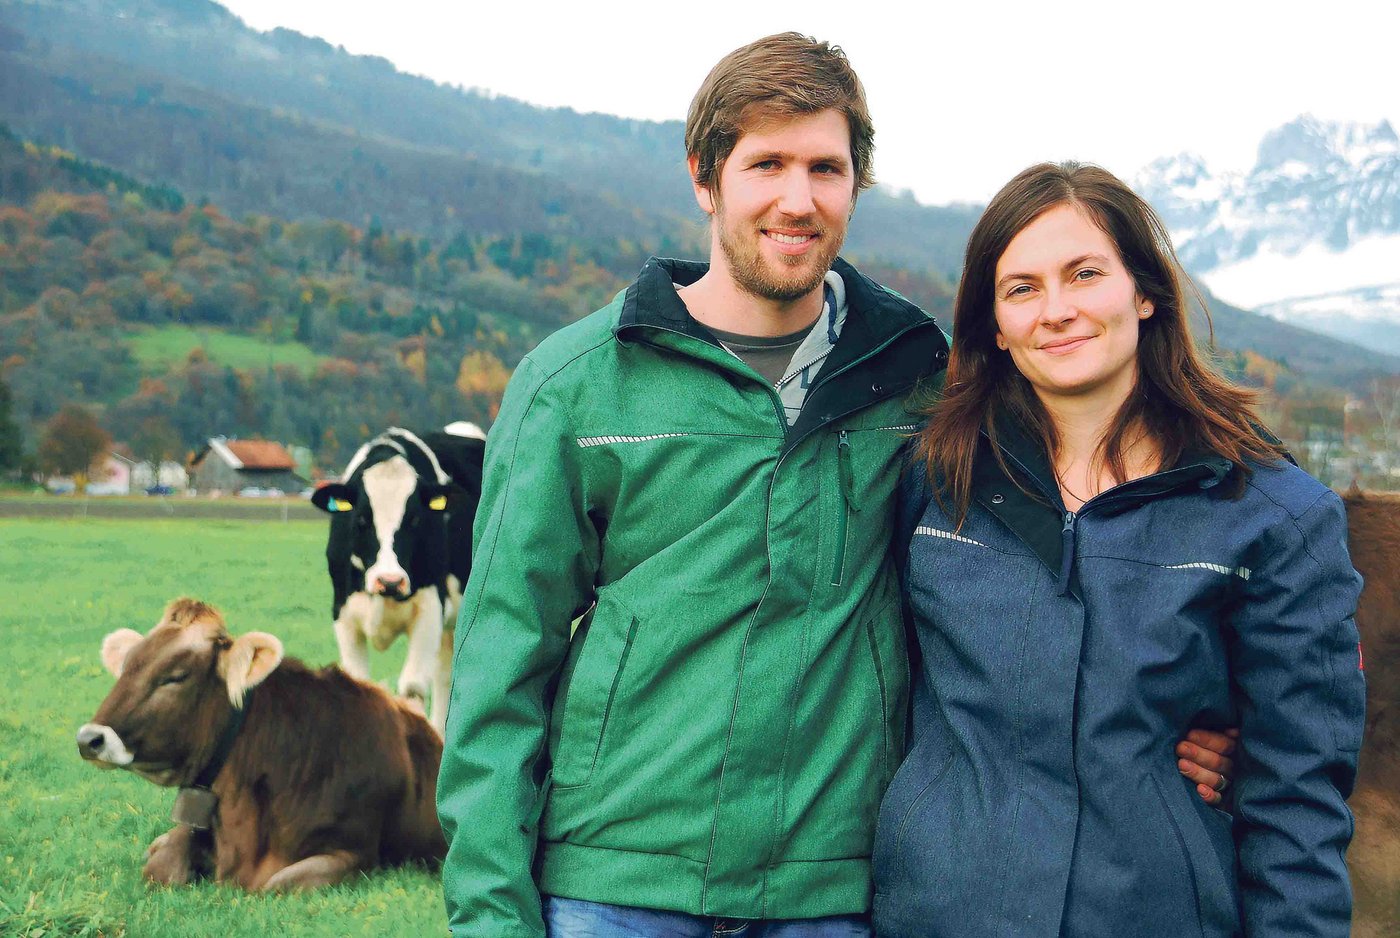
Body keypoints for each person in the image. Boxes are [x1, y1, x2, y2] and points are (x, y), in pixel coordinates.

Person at [437, 35, 1235, 937]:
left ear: (857, 185)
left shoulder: (923, 376)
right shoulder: (579, 385)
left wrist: (1180, 722)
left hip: (833, 894)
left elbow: (1080, 525)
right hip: (615, 886)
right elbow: (501, 670)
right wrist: (494, 917)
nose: (798, 198)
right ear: (706, 178)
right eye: (766, 164)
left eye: (826, 167)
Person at [876, 162, 1366, 937]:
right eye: (1023, 288)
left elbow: (1298, 802)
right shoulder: (935, 482)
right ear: (994, 327)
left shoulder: (1270, 514)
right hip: (938, 913)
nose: (1058, 310)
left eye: (1085, 274)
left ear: (1145, 292)